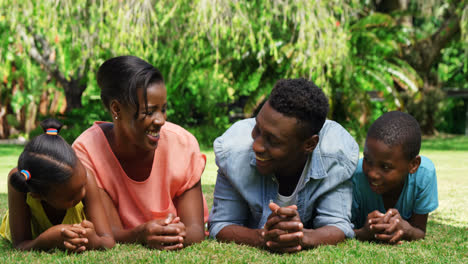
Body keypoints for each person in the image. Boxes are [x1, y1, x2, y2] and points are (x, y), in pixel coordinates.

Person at [208, 78, 359, 253]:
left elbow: (337, 225)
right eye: (257, 129)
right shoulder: (232, 151)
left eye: (273, 141)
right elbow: (221, 225)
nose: (256, 146)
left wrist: (301, 236)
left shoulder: (335, 155)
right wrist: (263, 237)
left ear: (309, 144)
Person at [72, 55, 208, 250]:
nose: (160, 120)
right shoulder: (87, 153)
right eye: (149, 112)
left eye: (163, 109)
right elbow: (109, 232)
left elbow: (195, 229)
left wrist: (174, 234)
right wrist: (141, 234)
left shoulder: (183, 144)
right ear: (116, 109)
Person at [0, 119, 114, 252]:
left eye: (83, 186)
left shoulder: (86, 177)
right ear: (37, 195)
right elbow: (20, 245)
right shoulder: (20, 182)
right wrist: (45, 241)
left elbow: (108, 240)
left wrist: (94, 241)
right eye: (71, 197)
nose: (83, 193)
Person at [352, 111, 438, 244]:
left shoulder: (424, 174)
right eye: (367, 159)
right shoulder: (355, 176)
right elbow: (338, 229)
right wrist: (363, 233)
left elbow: (420, 231)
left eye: (385, 167)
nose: (372, 174)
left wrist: (406, 229)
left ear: (413, 165)